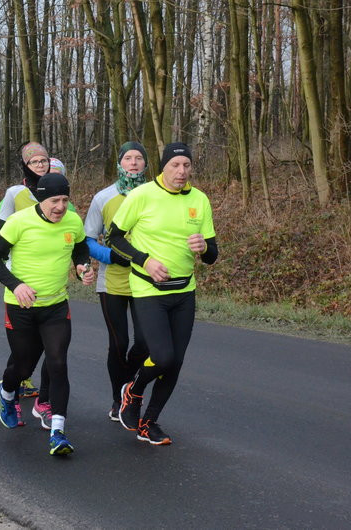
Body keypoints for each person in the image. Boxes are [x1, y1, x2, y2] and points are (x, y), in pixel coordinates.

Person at [107, 142, 218, 445]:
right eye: (175, 166)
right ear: (162, 167)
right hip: (148, 289)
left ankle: (149, 422)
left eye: (186, 165)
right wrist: (144, 260)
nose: (182, 172)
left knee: (176, 363)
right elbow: (114, 238)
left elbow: (212, 255)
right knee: (162, 356)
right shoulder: (142, 196)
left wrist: (204, 247)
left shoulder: (200, 200)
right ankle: (134, 390)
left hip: (184, 291)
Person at [0, 173, 94, 455]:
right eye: (54, 201)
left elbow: (80, 247)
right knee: (22, 367)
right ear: (41, 199)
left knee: (58, 363)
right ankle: (7, 392)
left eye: (65, 200)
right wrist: (16, 285)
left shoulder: (72, 220)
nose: (60, 207)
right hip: (20, 307)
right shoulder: (20, 222)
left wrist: (82, 266)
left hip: (56, 305)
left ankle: (58, 432)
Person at [84, 141, 151, 421]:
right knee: (118, 342)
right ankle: (117, 400)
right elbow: (87, 240)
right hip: (112, 281)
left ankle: (128, 385)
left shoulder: (154, 195)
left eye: (138, 158)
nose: (133, 163)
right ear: (119, 164)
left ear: (146, 164)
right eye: (128, 158)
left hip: (147, 280)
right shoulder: (103, 197)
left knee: (146, 343)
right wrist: (111, 256)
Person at [0, 142, 53, 404]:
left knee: (41, 338)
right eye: (34, 162)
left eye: (43, 161)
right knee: (24, 338)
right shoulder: (16, 193)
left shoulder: (57, 189)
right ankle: (15, 382)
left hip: (48, 273)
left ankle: (21, 378)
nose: (40, 165)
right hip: (20, 274)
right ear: (25, 165)